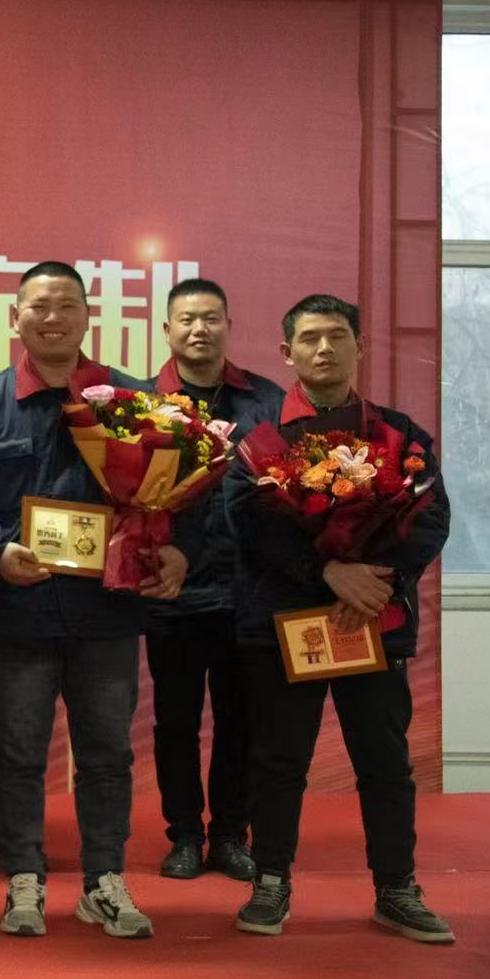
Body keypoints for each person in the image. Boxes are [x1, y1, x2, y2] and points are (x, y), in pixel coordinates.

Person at [0, 261, 187, 941]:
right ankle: (25, 876)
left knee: (107, 754)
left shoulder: (132, 400)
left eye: (67, 306)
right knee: (18, 753)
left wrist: (175, 549)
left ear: (86, 316)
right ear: (15, 318)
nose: (53, 318)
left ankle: (104, 880)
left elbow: (174, 491)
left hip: (107, 610)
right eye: (39, 307)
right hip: (18, 608)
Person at [226, 294, 454, 943]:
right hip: (284, 626)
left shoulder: (400, 435)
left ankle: (396, 888)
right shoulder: (257, 442)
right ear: (286, 352)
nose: (324, 348)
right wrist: (325, 571)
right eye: (310, 338)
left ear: (359, 346)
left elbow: (431, 516)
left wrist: (374, 583)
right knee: (278, 761)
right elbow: (249, 525)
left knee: (384, 763)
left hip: (372, 622)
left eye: (337, 336)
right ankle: (271, 881)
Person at [146, 278, 282, 883]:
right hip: (172, 593)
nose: (199, 329)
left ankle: (230, 834)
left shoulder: (267, 401)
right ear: (167, 329)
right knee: (175, 721)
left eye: (211, 318)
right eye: (187, 319)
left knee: (242, 720)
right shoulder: (140, 405)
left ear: (229, 325)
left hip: (249, 592)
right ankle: (183, 834)